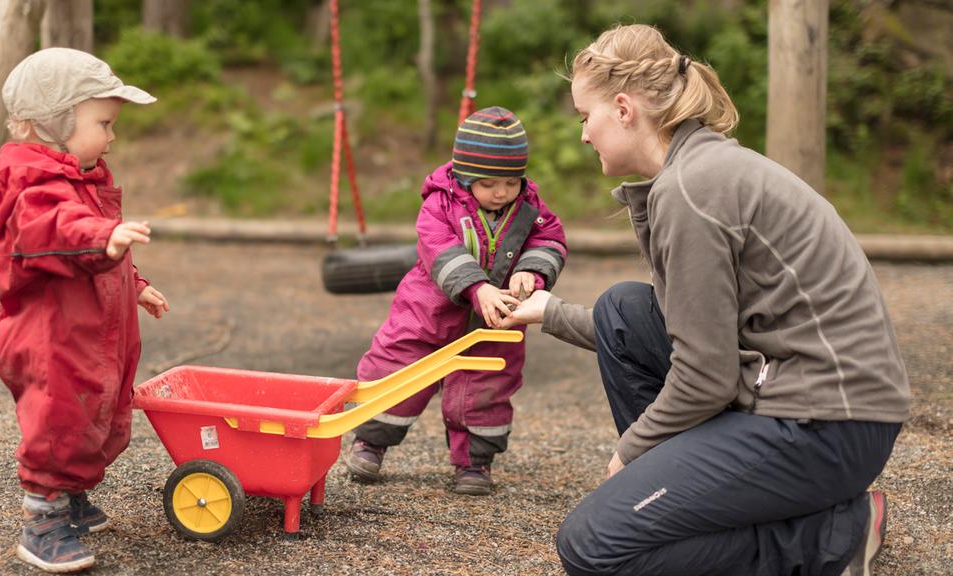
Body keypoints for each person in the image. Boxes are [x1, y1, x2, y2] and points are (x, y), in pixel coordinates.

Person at [498, 24, 909, 576]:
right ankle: (724, 500)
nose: (583, 135)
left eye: (584, 117)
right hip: (810, 404)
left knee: (593, 546)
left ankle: (832, 536)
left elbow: (706, 374)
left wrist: (632, 454)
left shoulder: (692, 190)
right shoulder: (695, 171)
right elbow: (683, 326)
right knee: (622, 308)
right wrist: (550, 312)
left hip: (826, 424)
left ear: (623, 109)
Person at [0, 48, 169, 573]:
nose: (111, 136)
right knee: (60, 421)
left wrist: (136, 281)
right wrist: (105, 237)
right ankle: (43, 519)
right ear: (52, 125)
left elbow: (105, 246)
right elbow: (55, 232)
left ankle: (71, 496)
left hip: (95, 329)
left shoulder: (87, 176)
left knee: (100, 413)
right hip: (51, 338)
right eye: (102, 123)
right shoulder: (31, 189)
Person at [344, 106, 568, 496]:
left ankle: (473, 462)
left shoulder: (529, 207)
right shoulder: (440, 204)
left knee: (487, 382)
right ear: (464, 178)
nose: (501, 192)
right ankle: (371, 442)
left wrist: (531, 273)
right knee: (397, 368)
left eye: (511, 182)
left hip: (496, 316)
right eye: (488, 183)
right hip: (429, 310)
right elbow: (440, 249)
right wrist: (476, 287)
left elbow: (549, 239)